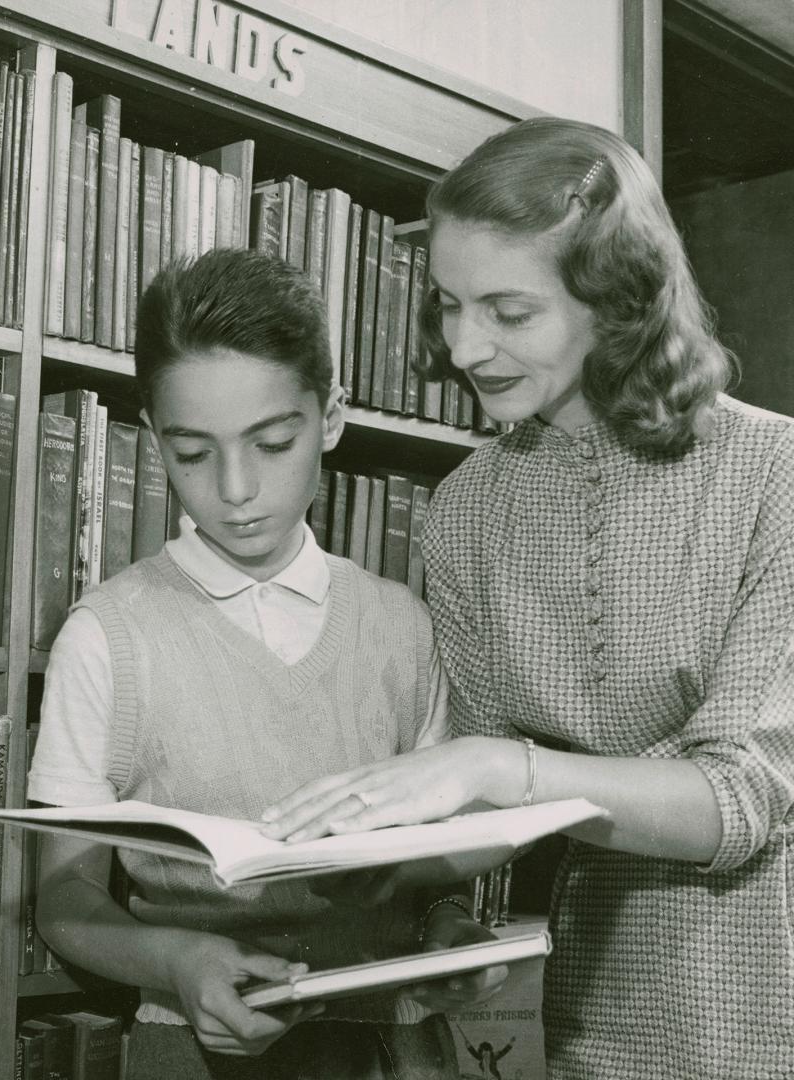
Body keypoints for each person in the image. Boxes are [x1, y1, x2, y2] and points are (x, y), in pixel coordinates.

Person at [259, 117, 794, 1080]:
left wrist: (498, 766)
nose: (465, 346)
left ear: (619, 299)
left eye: (509, 312)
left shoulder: (772, 475)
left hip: (767, 1008)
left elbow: (739, 801)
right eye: (450, 303)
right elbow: (490, 815)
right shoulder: (467, 510)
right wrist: (407, 888)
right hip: (594, 1020)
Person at [29, 248, 507, 1080]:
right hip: (197, 1044)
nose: (237, 488)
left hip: (396, 1052)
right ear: (153, 439)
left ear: (330, 418)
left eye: (273, 442)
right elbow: (64, 900)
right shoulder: (109, 635)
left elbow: (434, 873)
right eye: (193, 454)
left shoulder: (403, 627)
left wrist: (449, 938)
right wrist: (178, 960)